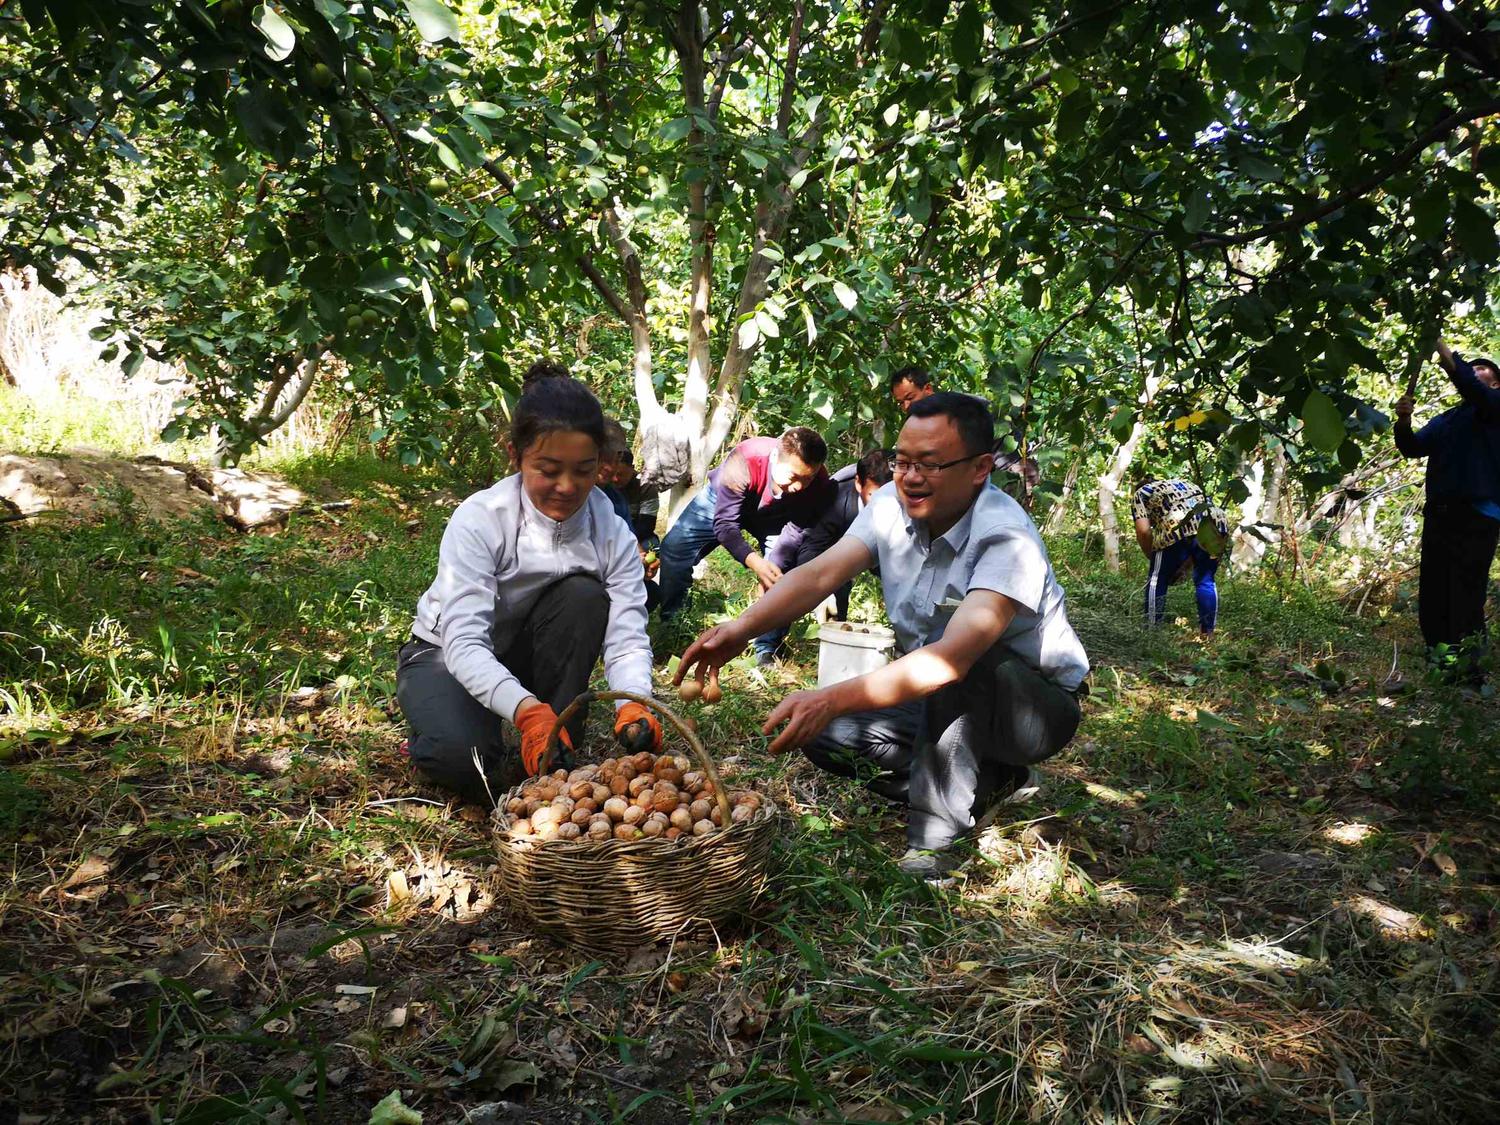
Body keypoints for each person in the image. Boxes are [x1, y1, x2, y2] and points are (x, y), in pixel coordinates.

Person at [675, 393, 1089, 878]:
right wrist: (741, 629)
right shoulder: (892, 503)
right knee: (824, 732)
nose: (910, 477)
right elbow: (818, 574)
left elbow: (950, 660)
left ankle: (934, 842)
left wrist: (829, 696)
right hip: (943, 699)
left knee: (963, 665)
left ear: (979, 469)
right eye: (902, 461)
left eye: (930, 465)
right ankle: (989, 780)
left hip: (1033, 709)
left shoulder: (1004, 537)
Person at [395, 375, 663, 806]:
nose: (567, 487)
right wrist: (527, 712)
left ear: (602, 462)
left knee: (584, 595)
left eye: (584, 470)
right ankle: (448, 726)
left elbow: (627, 631)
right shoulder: (482, 519)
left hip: (523, 649)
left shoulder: (611, 531)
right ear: (516, 456)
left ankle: (555, 734)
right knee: (465, 763)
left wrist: (634, 702)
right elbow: (463, 642)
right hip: (444, 653)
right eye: (548, 470)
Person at [656, 428, 837, 656]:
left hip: (779, 515)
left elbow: (797, 529)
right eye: (793, 477)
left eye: (807, 479)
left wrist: (774, 566)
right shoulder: (746, 458)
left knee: (781, 577)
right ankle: (673, 626)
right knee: (674, 548)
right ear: (775, 458)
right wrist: (755, 562)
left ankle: (767, 648)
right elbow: (724, 524)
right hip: (723, 499)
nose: (799, 486)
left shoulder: (819, 482)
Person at [1394, 341, 1500, 675]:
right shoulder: (1450, 418)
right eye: (1474, 366)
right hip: (1441, 512)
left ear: (1496, 382)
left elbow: (1466, 381)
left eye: (1482, 368)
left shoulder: (1495, 407)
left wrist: (1440, 346)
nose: (1474, 370)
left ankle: (1471, 671)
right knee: (1435, 589)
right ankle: (1441, 660)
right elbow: (1413, 448)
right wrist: (1403, 421)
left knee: (1466, 590)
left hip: (1479, 513)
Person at [890, 364, 1039, 489]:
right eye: (900, 403)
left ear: (927, 389)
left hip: (1012, 468)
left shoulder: (954, 408)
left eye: (910, 397)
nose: (906, 406)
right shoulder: (928, 417)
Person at [794, 448, 894, 622]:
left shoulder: (910, 498)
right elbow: (812, 547)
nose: (881, 504)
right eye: (873, 496)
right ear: (858, 484)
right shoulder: (835, 497)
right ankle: (768, 646)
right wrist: (820, 592)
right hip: (832, 550)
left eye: (890, 496)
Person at [1131, 476, 1229, 635]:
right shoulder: (1184, 482)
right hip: (1216, 521)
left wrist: (1153, 557)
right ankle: (1208, 634)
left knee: (1157, 577)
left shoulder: (1142, 493)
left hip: (1177, 523)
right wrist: (1185, 565)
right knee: (1206, 580)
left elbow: (1143, 531)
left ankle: (1151, 632)